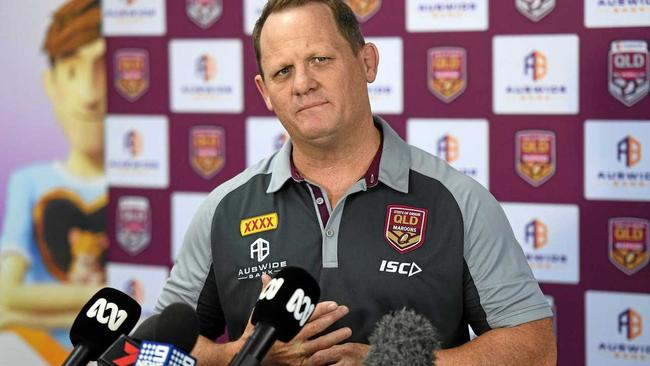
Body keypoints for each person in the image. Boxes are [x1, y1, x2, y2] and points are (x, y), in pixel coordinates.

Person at [156, 0, 556, 364]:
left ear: (367, 62)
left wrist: (393, 361)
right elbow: (160, 346)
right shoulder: (224, 208)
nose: (302, 83)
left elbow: (534, 349)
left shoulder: (459, 201)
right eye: (283, 71)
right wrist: (244, 355)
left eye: (320, 59)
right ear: (265, 91)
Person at [0, 0, 106, 351]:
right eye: (73, 71)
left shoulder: (143, 190)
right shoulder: (29, 182)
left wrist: (29, 309)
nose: (89, 96)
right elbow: (5, 294)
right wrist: (99, 295)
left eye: (102, 69)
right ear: (51, 83)